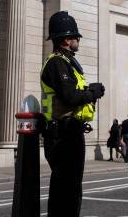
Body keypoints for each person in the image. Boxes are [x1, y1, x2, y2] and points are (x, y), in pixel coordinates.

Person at [41, 11, 105, 217]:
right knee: (66, 190)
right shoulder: (57, 62)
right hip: (63, 135)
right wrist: (91, 93)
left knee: (69, 188)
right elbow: (69, 95)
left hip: (69, 132)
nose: (78, 40)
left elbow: (70, 92)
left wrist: (88, 90)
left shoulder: (65, 63)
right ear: (67, 40)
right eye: (76, 37)